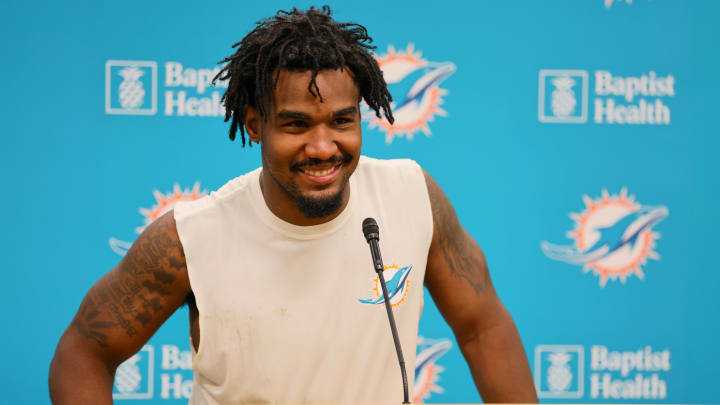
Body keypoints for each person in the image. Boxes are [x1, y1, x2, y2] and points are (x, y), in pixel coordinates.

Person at [49, 6, 538, 404]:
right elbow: (85, 352)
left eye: (342, 121)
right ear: (257, 125)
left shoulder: (413, 195)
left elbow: (482, 326)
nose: (323, 147)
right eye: (297, 125)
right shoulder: (192, 237)